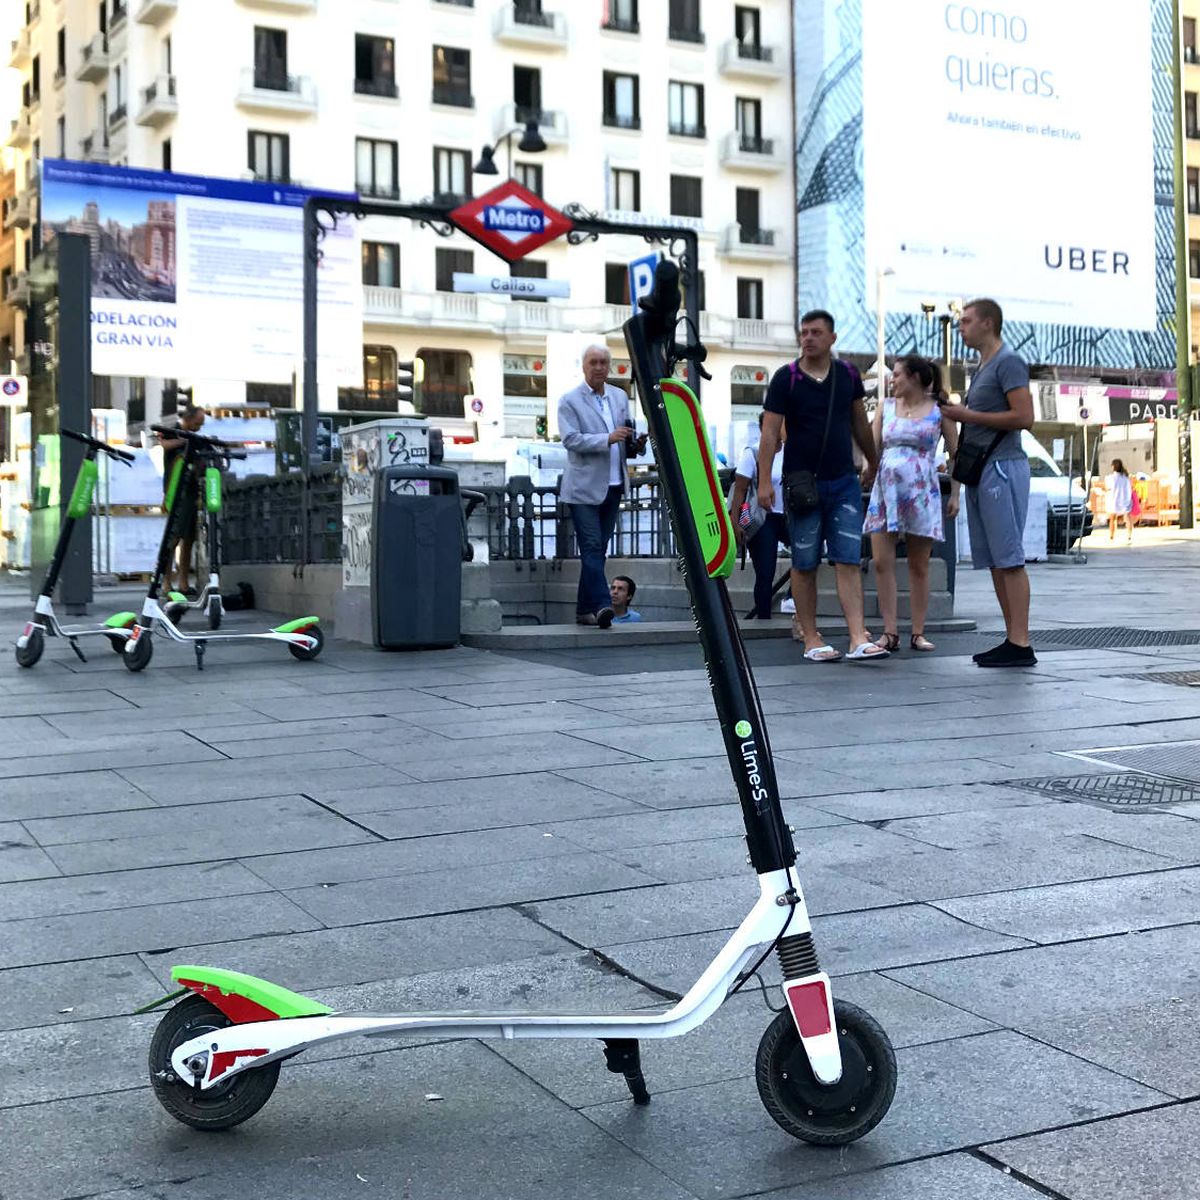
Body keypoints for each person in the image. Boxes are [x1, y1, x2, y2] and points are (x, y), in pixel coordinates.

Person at [757, 310, 887, 662]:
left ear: (832, 337)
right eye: (804, 332)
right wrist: (763, 481)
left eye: (816, 332)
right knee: (804, 562)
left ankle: (858, 636)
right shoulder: (787, 378)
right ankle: (811, 638)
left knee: (847, 558)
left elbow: (860, 423)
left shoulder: (847, 375)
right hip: (802, 483)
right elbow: (770, 432)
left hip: (843, 479)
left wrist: (873, 462)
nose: (808, 338)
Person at [939, 298, 1036, 668]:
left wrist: (967, 414)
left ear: (988, 323)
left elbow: (1024, 416)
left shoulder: (1008, 362)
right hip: (985, 470)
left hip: (1003, 468)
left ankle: (1021, 641)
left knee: (1009, 558)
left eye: (966, 321)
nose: (961, 326)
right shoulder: (983, 367)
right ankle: (1013, 639)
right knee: (997, 560)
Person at [864, 355, 960, 653]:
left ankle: (917, 631)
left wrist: (955, 493)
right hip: (886, 489)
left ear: (915, 377)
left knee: (919, 564)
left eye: (897, 375)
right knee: (881, 561)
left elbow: (956, 453)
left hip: (921, 489)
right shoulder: (886, 407)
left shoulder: (939, 411)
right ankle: (889, 631)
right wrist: (866, 470)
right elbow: (871, 445)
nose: (892, 380)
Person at [558, 345, 647, 627]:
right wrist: (606, 438)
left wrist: (635, 443)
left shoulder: (619, 397)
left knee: (598, 550)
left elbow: (624, 439)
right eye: (593, 362)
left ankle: (584, 611)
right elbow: (571, 440)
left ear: (609, 367)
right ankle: (602, 605)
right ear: (583, 366)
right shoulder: (569, 400)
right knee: (593, 546)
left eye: (603, 363)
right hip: (583, 488)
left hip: (614, 483)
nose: (598, 367)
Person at [730, 413, 788, 620]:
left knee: (806, 559)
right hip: (763, 518)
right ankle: (764, 618)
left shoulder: (791, 451)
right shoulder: (753, 453)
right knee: (766, 571)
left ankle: (792, 599)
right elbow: (739, 490)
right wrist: (735, 523)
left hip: (789, 515)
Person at [159, 403, 206, 596]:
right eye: (197, 423)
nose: (199, 427)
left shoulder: (196, 437)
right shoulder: (173, 431)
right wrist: (185, 440)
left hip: (192, 492)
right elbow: (164, 444)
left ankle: (184, 582)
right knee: (173, 537)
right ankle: (166, 582)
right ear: (187, 419)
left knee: (189, 539)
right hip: (176, 491)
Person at [1105, 459, 1134, 544]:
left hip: (1113, 500)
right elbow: (1129, 488)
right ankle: (1129, 535)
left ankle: (1112, 536)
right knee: (1128, 518)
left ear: (1113, 466)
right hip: (1125, 500)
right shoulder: (1126, 478)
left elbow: (1108, 488)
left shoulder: (1110, 478)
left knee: (1113, 519)